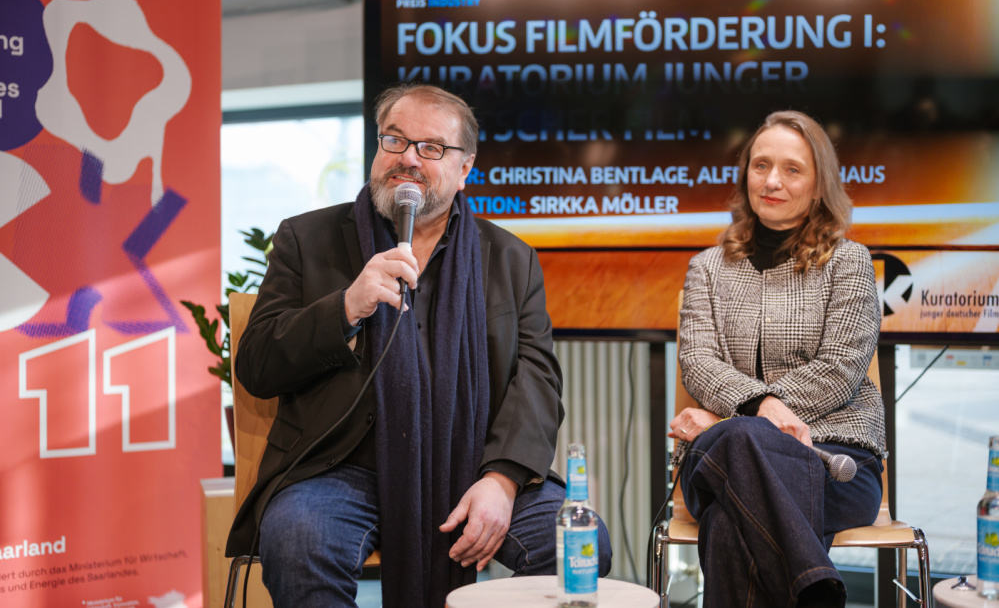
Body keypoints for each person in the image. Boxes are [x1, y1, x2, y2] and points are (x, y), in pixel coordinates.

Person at [224, 83, 611, 608]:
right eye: (395, 140)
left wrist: (502, 480)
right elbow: (257, 365)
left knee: (578, 545)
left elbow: (537, 379)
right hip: (342, 469)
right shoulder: (306, 238)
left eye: (431, 147)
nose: (408, 158)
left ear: (465, 167)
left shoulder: (510, 259)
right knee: (299, 543)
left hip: (474, 463)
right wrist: (346, 307)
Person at [670, 110, 885, 608]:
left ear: (818, 185)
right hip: (725, 458)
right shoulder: (706, 269)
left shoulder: (849, 262)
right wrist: (758, 410)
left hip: (835, 462)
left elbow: (840, 370)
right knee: (743, 449)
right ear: (745, 173)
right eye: (761, 165)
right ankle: (817, 591)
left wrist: (729, 421)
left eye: (792, 169)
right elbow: (697, 361)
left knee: (728, 518)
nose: (771, 181)